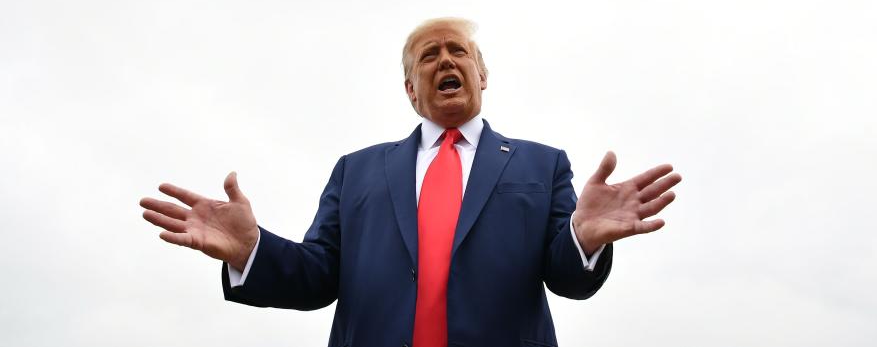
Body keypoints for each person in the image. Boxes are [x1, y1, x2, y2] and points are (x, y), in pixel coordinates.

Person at [140, 18, 681, 347]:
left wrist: (584, 240)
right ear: (410, 88)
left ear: (482, 75)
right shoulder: (357, 171)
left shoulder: (543, 166)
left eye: (458, 52)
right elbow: (318, 276)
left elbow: (568, 278)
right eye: (429, 56)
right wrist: (252, 251)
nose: (445, 60)